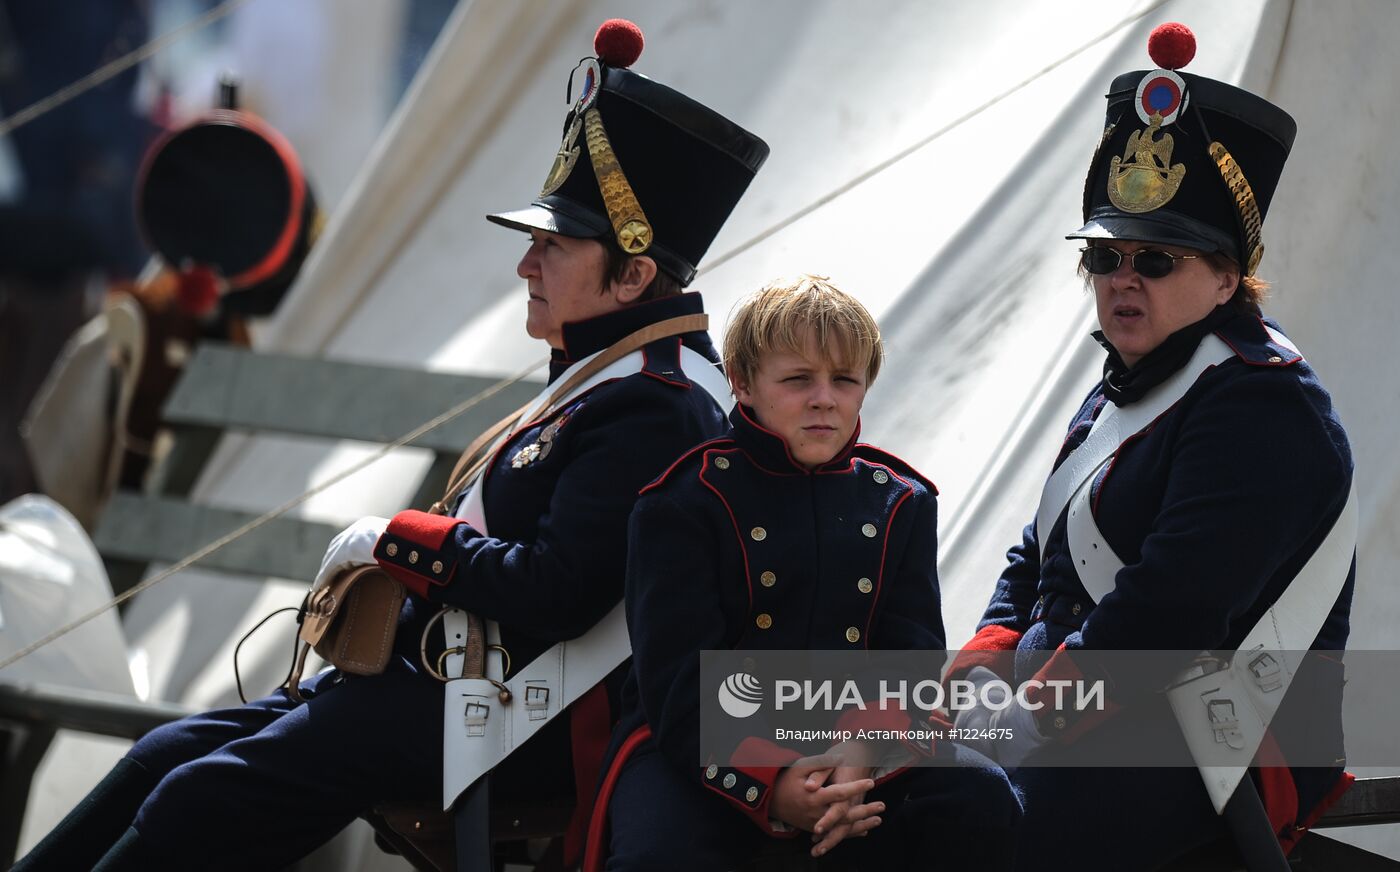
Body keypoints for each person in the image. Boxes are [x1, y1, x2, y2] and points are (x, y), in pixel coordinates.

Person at [15, 19, 769, 871]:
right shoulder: (616, 372)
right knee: (160, 759)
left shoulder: (657, 405)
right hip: (446, 685)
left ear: (633, 277)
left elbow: (558, 592)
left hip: (515, 713)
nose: (526, 266)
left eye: (552, 246)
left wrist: (405, 540)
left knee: (200, 798)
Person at [944, 23, 1356, 872]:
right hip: (1093, 704)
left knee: (975, 829)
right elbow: (1040, 551)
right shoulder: (1131, 380)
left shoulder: (1264, 408)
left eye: (1156, 260)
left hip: (1213, 733)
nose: (1123, 278)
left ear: (1227, 276)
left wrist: (1022, 719)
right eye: (1106, 256)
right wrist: (985, 659)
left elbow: (1170, 616)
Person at [588, 276, 1021, 872]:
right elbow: (678, 691)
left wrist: (861, 753)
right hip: (703, 750)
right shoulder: (682, 503)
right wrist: (776, 784)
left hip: (860, 741)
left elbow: (909, 659)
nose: (824, 398)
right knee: (657, 857)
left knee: (978, 797)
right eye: (797, 380)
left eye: (844, 380)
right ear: (741, 382)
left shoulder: (901, 500)